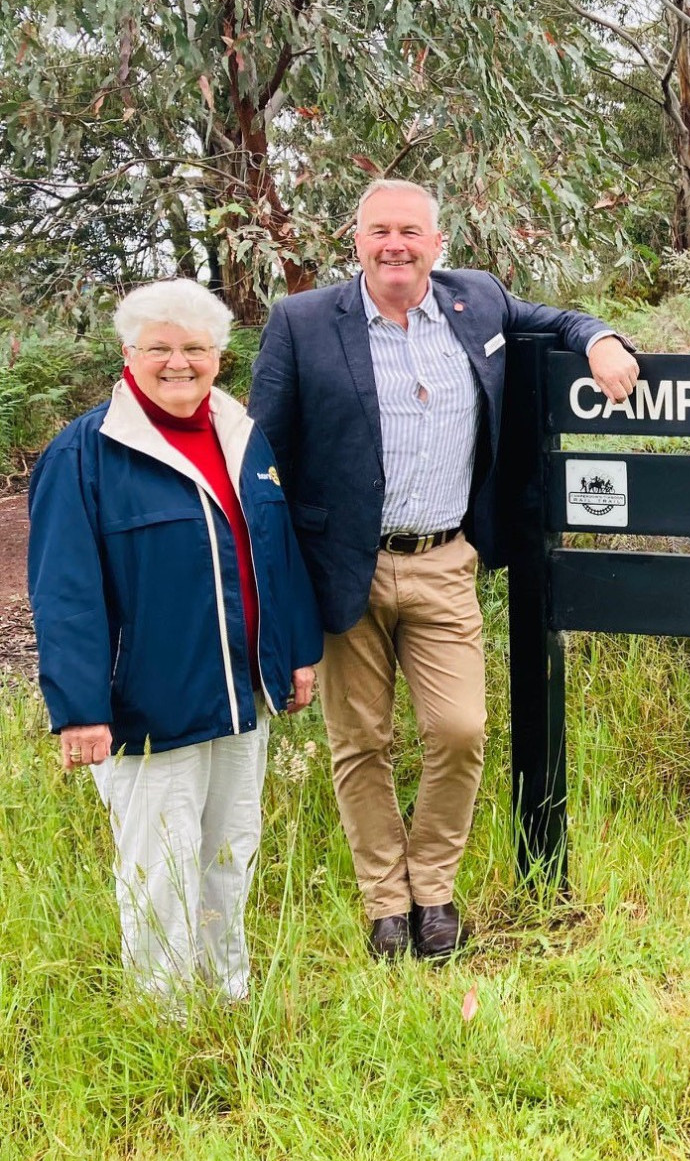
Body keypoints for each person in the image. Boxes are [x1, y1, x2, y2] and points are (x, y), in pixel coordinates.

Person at [249, 178, 641, 962]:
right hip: (342, 569)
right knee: (360, 741)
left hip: (443, 560)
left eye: (410, 231)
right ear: (355, 240)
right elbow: (263, 458)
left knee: (459, 730)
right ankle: (388, 906)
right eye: (379, 231)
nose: (395, 244)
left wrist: (599, 339)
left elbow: (557, 319)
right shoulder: (301, 323)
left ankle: (434, 886)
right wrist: (279, 587)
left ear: (438, 242)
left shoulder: (480, 301)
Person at [29, 279, 322, 1008]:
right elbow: (64, 591)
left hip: (241, 695)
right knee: (161, 869)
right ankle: (166, 1019)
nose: (177, 362)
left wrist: (297, 652)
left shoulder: (244, 436)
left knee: (230, 855)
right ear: (129, 353)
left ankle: (226, 998)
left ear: (219, 356)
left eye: (194, 347)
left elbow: (276, 554)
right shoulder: (86, 453)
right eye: (159, 347)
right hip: (147, 706)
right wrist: (80, 708)